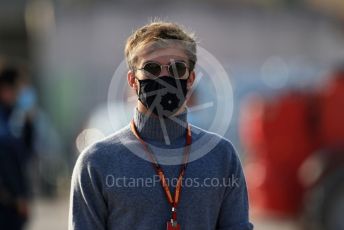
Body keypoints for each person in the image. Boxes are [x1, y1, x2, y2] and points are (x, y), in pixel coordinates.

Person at [69, 21, 253, 230]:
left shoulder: (222, 156)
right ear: (132, 80)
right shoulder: (96, 162)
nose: (165, 77)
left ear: (190, 79)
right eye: (152, 68)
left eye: (177, 68)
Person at [0, 65, 32, 230]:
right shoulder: (4, 123)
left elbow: (25, 153)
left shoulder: (13, 117)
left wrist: (29, 127)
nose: (20, 94)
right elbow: (6, 161)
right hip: (6, 205)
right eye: (18, 89)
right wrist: (17, 197)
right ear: (6, 90)